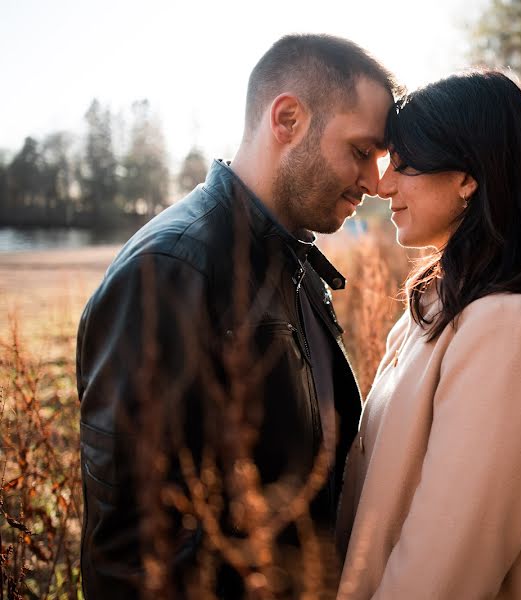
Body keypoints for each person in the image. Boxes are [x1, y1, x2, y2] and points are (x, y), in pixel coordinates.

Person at [76, 34, 397, 599]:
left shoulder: (289, 259)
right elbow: (129, 549)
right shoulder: (173, 269)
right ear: (288, 119)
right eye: (361, 151)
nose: (374, 181)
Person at [335, 70, 521, 599]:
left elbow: (445, 570)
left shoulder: (511, 329)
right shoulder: (441, 305)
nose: (383, 186)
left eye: (404, 167)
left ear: (467, 177)